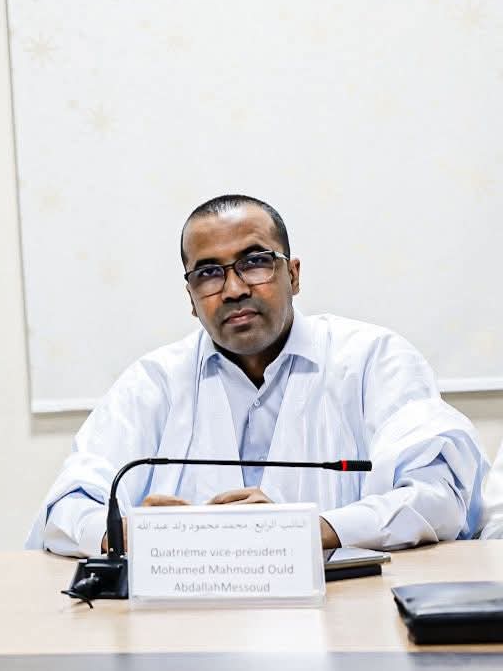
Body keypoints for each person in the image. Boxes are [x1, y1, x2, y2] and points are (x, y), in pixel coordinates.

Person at [27, 195, 486, 556]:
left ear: (294, 275)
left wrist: (307, 530)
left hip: (346, 613)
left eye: (254, 262)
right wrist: (123, 534)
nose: (233, 288)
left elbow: (437, 495)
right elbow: (67, 506)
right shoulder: (154, 382)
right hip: (184, 621)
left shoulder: (372, 359)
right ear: (191, 299)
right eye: (209, 273)